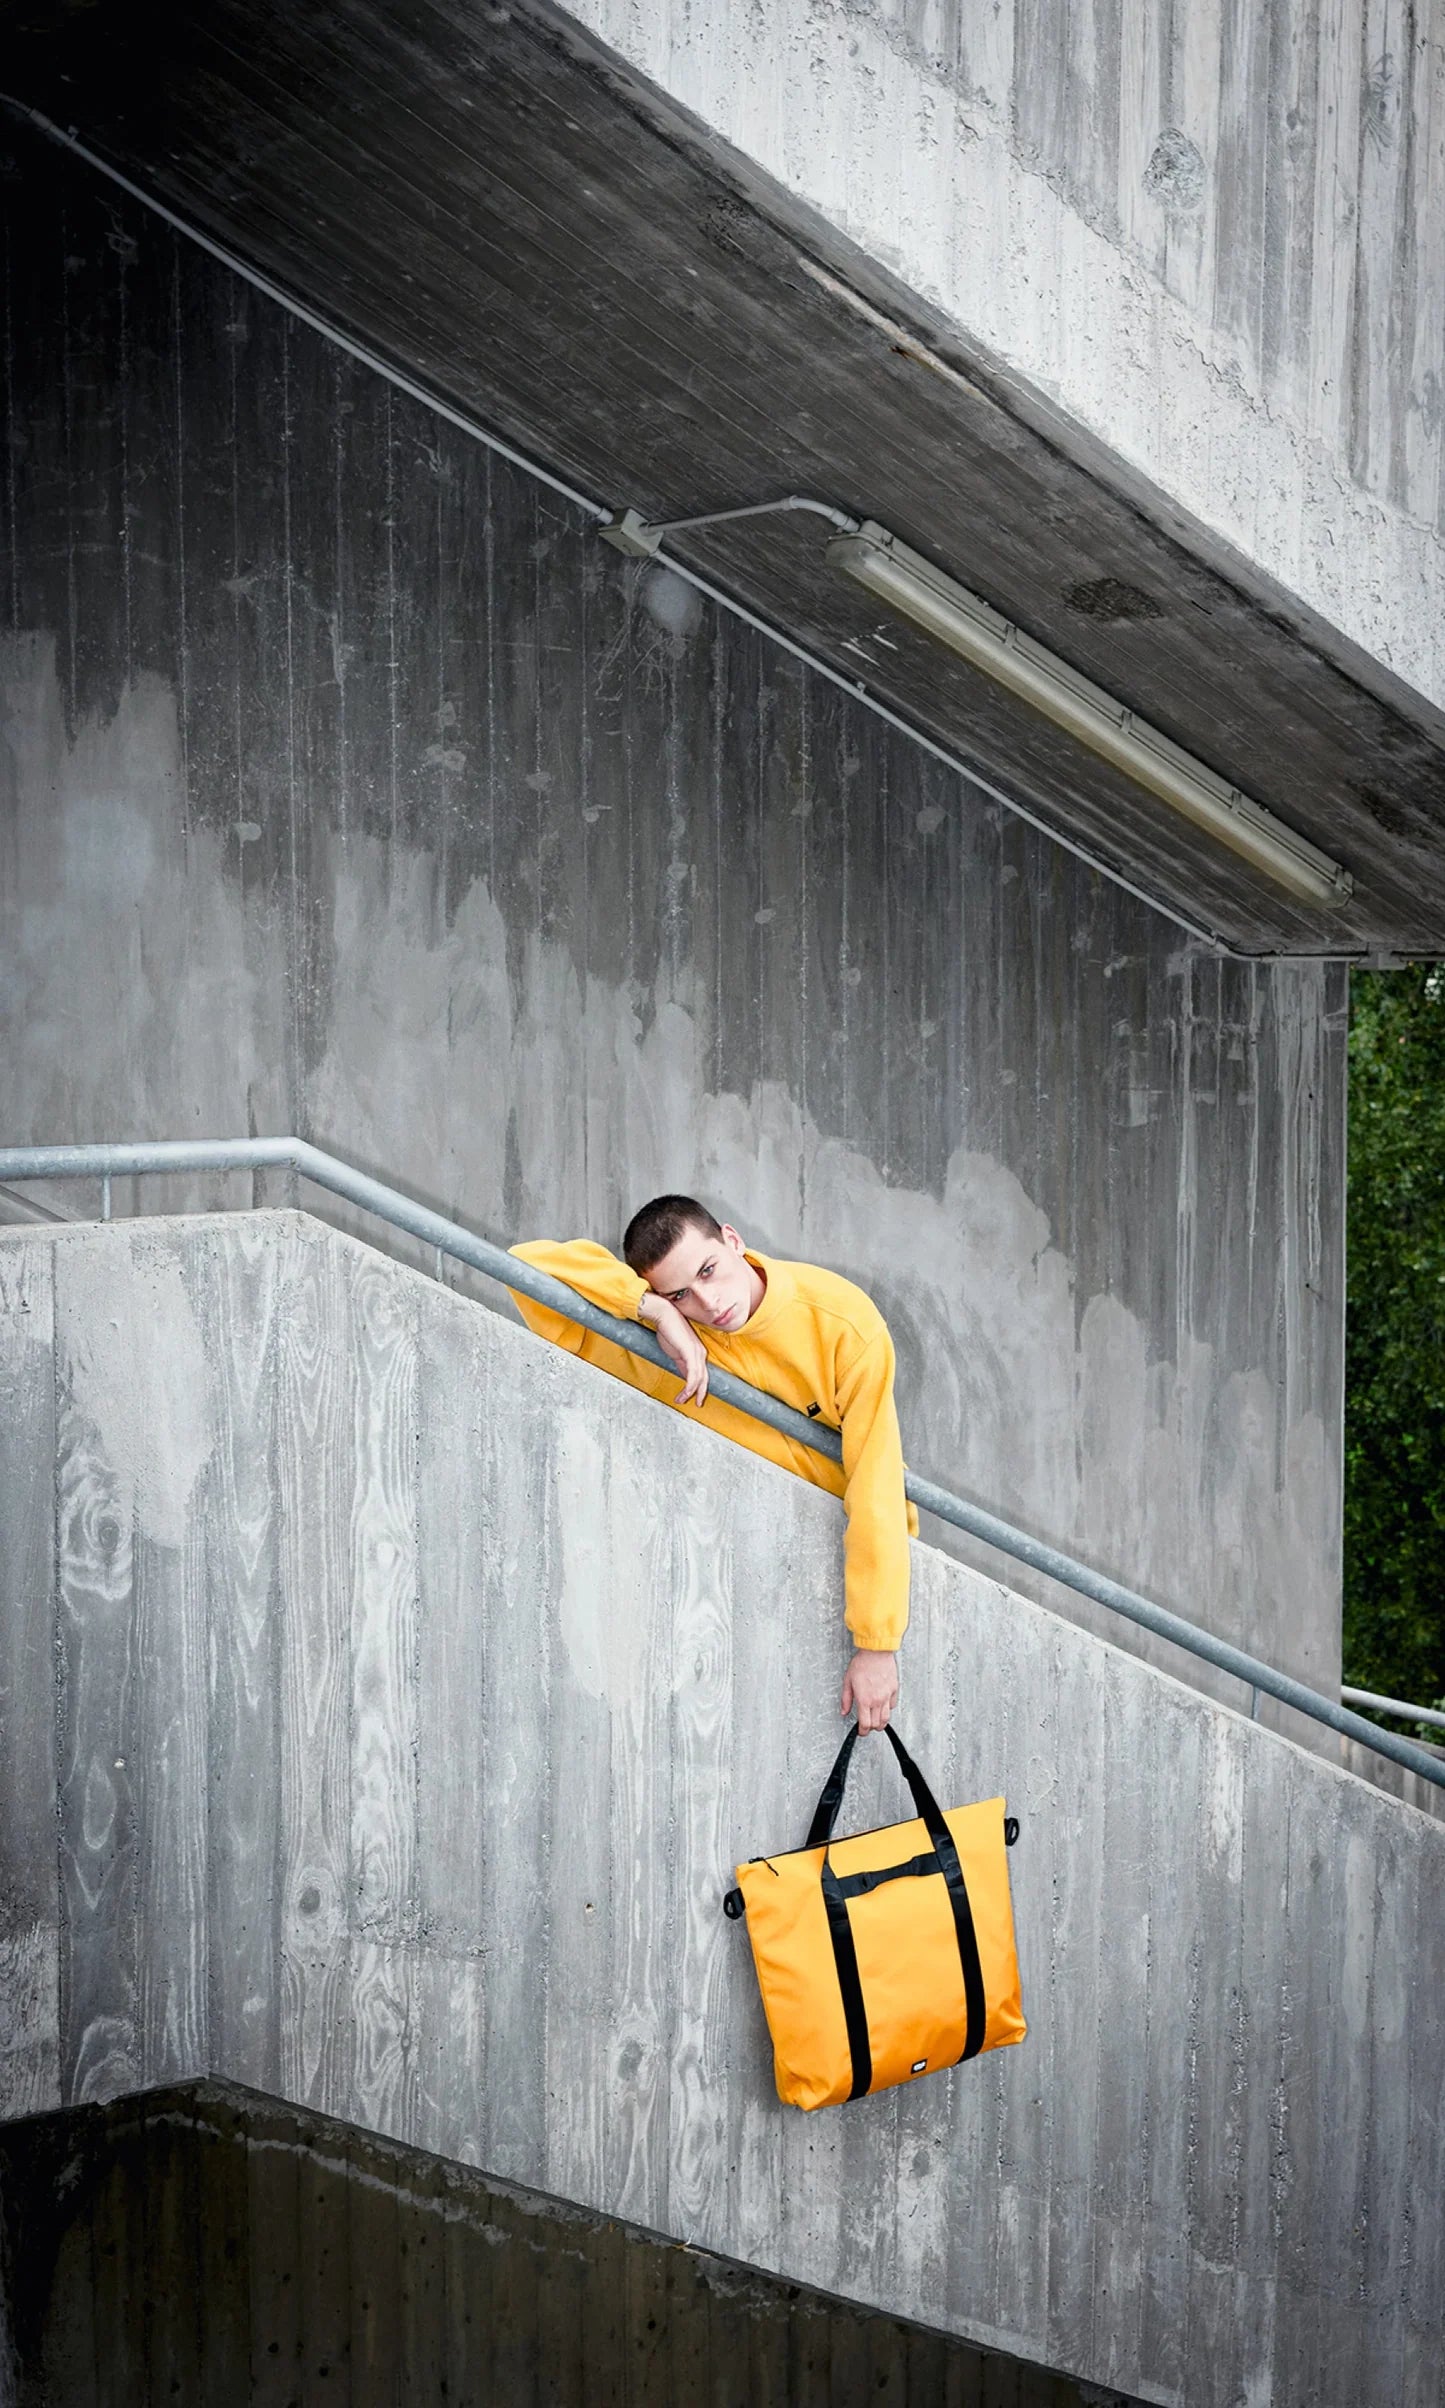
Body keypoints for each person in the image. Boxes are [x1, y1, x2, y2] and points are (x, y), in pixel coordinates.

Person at [509, 1196, 918, 1732]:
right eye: (681, 1293)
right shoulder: (661, 1342)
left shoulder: (841, 1322)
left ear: (732, 1240)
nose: (708, 1301)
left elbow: (877, 1486)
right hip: (727, 1588)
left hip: (861, 1574)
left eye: (709, 1270)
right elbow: (525, 1266)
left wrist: (876, 1643)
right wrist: (652, 1312)